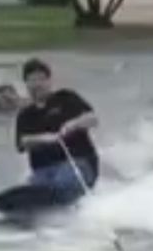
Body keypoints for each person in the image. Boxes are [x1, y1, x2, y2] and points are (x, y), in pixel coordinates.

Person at [14, 58, 99, 201]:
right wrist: (46, 139)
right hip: (43, 170)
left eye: (41, 79)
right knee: (34, 189)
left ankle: (61, 196)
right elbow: (22, 143)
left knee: (61, 182)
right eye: (31, 80)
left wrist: (73, 124)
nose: (36, 85)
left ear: (49, 81)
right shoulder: (25, 115)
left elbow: (92, 119)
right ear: (26, 84)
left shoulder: (66, 98)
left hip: (78, 163)